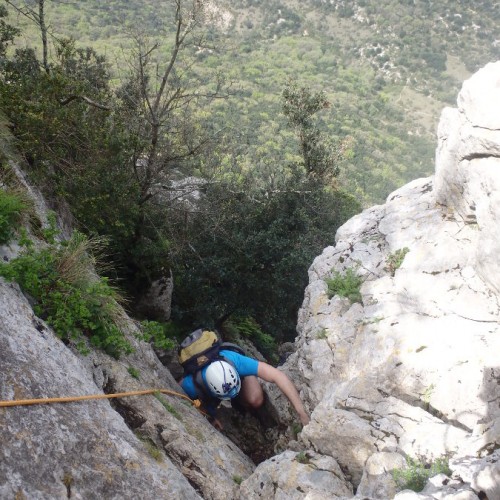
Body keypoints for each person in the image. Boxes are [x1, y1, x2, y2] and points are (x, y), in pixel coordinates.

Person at [180, 347, 310, 430]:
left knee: (255, 400)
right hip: (207, 392)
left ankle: (244, 402)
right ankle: (239, 403)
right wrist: (211, 416)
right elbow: (180, 392)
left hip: (237, 372)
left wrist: (301, 411)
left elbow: (277, 375)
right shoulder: (191, 385)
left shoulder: (235, 361)